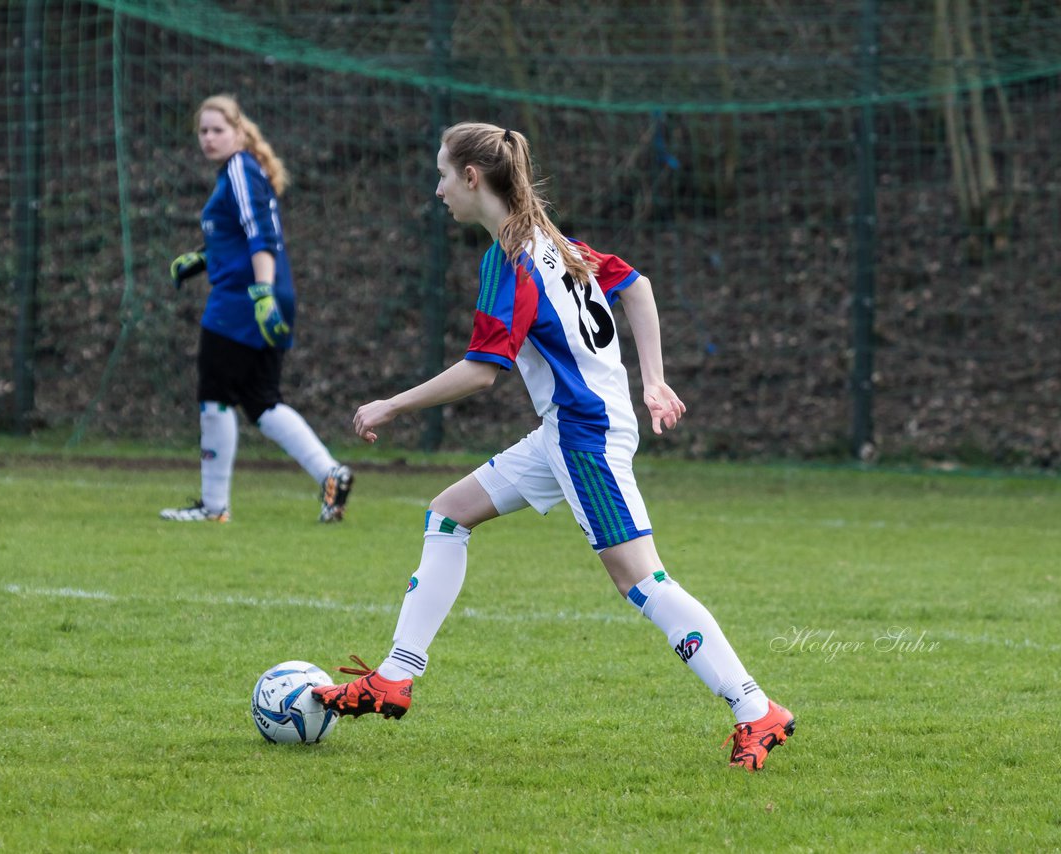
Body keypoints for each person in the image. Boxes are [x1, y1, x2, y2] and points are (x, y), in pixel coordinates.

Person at [313, 122, 794, 771]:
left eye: (443, 175)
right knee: (448, 513)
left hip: (583, 435)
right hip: (572, 428)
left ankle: (754, 708)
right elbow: (638, 287)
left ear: (473, 178)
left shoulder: (510, 259)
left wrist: (392, 404)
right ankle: (395, 676)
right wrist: (651, 380)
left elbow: (483, 370)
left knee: (641, 580)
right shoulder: (556, 243)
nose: (438, 189)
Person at [159, 94, 352, 524]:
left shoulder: (241, 169)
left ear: (240, 132)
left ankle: (213, 508)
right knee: (261, 401)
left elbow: (259, 235)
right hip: (261, 293)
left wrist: (261, 294)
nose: (208, 138)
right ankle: (331, 474)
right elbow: (236, 237)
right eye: (203, 131)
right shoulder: (239, 171)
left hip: (242, 299)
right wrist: (203, 258)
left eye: (217, 130)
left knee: (214, 395)